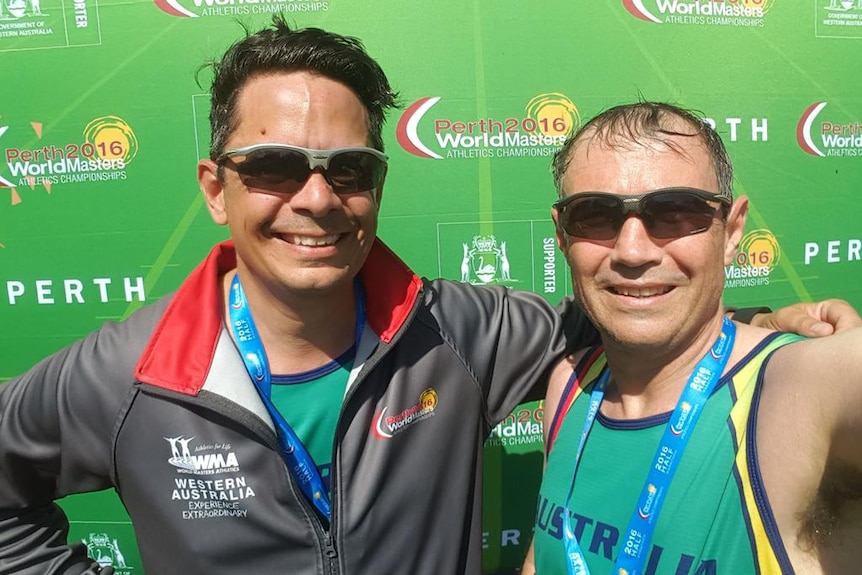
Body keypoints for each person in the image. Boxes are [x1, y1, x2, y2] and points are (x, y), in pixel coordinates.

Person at [0, 20, 855, 575]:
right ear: (216, 188)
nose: (315, 198)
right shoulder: (128, 371)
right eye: (271, 166)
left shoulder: (461, 330)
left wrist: (763, 320)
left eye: (349, 169)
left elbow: (637, 310)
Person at [522, 102, 862, 575]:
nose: (632, 251)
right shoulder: (568, 384)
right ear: (562, 235)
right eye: (594, 214)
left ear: (733, 231)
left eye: (674, 211)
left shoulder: (800, 391)